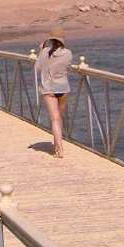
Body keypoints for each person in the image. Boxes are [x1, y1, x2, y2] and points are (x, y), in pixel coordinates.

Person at [34, 30, 72, 158]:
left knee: (54, 119)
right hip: (63, 87)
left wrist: (41, 50)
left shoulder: (45, 52)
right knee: (59, 118)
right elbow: (68, 68)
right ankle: (57, 144)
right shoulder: (68, 53)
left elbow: (37, 68)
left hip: (48, 88)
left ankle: (59, 148)